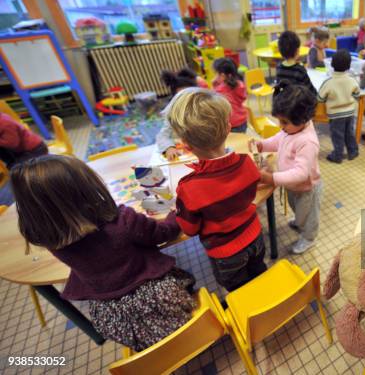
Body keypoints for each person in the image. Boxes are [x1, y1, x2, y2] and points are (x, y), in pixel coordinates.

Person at [10, 155, 195, 352]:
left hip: (113, 317)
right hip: (163, 299)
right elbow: (163, 234)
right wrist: (174, 214)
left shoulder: (52, 238)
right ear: (87, 189)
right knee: (185, 282)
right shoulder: (123, 219)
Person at [167, 89, 267, 291]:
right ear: (229, 128)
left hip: (226, 253)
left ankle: (248, 312)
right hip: (255, 234)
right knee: (259, 272)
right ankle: (267, 300)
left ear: (185, 145)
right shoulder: (246, 162)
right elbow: (250, 193)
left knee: (238, 288)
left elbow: (189, 229)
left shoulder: (189, 187)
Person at [251, 83, 321, 255]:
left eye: (284, 122)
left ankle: (309, 237)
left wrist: (272, 178)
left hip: (307, 188)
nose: (280, 125)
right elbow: (278, 140)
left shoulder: (307, 141)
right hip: (292, 185)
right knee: (296, 209)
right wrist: (262, 145)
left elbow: (300, 173)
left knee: (308, 216)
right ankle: (298, 221)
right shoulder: (291, 129)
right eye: (279, 120)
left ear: (303, 120)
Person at [317, 49, 360, 163]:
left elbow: (320, 98)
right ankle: (353, 151)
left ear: (332, 64)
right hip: (350, 112)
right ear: (349, 65)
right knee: (349, 133)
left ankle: (337, 155)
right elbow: (357, 94)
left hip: (335, 115)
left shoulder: (329, 82)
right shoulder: (352, 80)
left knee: (337, 136)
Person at [157, 68, 209, 161]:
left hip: (202, 151)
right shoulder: (172, 113)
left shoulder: (202, 107)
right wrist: (169, 147)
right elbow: (162, 135)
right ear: (174, 97)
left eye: (190, 95)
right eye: (181, 96)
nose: (186, 100)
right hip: (184, 155)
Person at [212, 58, 248, 133]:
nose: (215, 76)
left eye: (215, 73)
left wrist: (214, 85)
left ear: (222, 76)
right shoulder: (240, 84)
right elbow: (243, 98)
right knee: (241, 140)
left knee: (232, 143)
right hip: (243, 121)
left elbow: (214, 104)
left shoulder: (219, 90)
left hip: (231, 124)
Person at [276, 31, 317, 95]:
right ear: (297, 50)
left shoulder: (278, 68)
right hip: (299, 103)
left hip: (285, 102)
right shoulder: (299, 69)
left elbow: (279, 89)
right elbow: (310, 90)